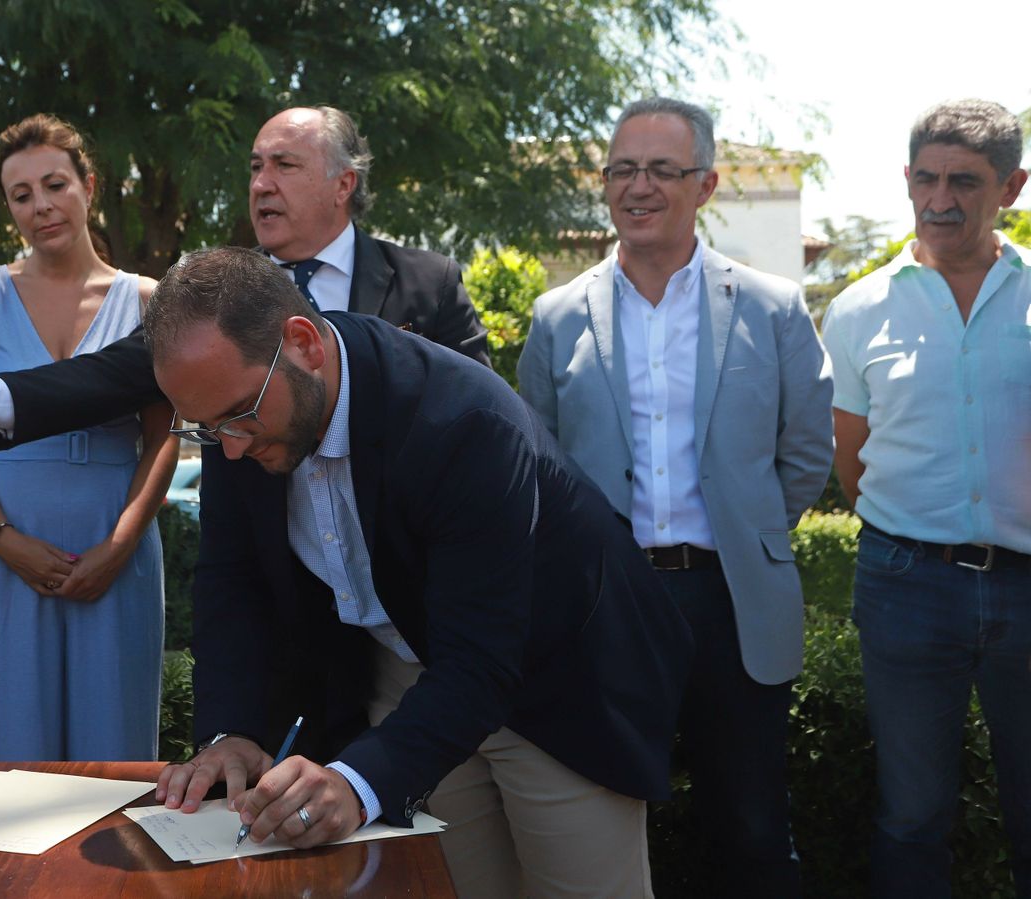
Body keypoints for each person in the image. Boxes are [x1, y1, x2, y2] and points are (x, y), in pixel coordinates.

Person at [141, 247, 691, 896]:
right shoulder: (238, 413)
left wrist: (357, 781)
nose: (228, 446)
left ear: (303, 343)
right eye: (207, 429)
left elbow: (483, 658)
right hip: (410, 677)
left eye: (237, 416)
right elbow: (231, 581)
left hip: (560, 682)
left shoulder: (461, 419)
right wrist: (229, 730)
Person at [517, 97, 833, 896]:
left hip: (731, 600)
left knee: (754, 825)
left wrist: (749, 529)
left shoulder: (770, 306)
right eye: (623, 169)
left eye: (662, 169)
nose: (640, 186)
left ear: (706, 183)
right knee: (606, 822)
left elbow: (804, 451)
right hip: (607, 605)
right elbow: (537, 462)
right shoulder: (557, 318)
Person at [0, 105, 488, 446]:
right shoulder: (217, 290)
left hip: (404, 589)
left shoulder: (427, 284)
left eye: (284, 166)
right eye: (256, 167)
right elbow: (113, 375)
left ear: (343, 184)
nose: (261, 184)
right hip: (276, 601)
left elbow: (478, 418)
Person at [820, 98, 1031, 897]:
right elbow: (853, 466)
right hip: (907, 583)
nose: (940, 199)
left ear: (1011, 186)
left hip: (1030, 582)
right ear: (907, 180)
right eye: (926, 177)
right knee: (911, 816)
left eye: (965, 182)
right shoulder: (859, 309)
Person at [0, 114, 173, 761]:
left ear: (88, 185)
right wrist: (2, 541)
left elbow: (163, 439)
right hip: (8, 541)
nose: (41, 205)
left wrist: (120, 544)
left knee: (116, 755)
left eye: (54, 184)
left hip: (113, 540)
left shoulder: (150, 299)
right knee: (15, 754)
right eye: (21, 195)